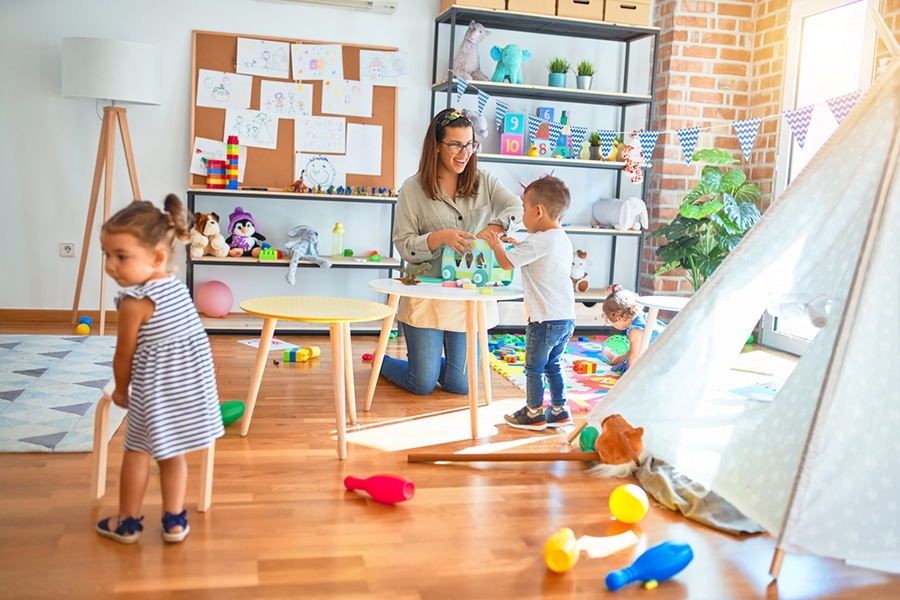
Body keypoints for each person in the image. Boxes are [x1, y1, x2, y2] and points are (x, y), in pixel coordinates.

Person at [95, 195, 224, 544]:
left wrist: (122, 390)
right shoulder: (177, 289)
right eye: (107, 255)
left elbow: (123, 356)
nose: (110, 265)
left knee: (137, 452)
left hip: (156, 391)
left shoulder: (135, 303)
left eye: (121, 256)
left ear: (156, 257)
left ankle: (128, 523)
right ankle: (174, 522)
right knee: (172, 454)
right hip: (191, 387)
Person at [380, 107, 522, 395]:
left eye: (469, 144)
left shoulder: (485, 181)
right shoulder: (412, 189)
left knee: (461, 385)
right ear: (436, 145)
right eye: (455, 144)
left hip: (468, 297)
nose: (464, 153)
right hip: (427, 294)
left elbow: (517, 207)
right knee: (422, 384)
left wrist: (495, 227)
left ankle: (432, 364)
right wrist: (437, 238)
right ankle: (384, 362)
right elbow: (403, 243)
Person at [484, 176, 576, 430]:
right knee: (554, 364)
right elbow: (539, 255)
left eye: (524, 209)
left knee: (534, 368)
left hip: (543, 320)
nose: (523, 215)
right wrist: (518, 244)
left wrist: (495, 245)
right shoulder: (561, 238)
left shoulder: (538, 241)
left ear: (538, 211)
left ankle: (534, 412)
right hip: (566, 318)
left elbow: (505, 263)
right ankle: (559, 409)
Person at [601, 284, 667, 374]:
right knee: (625, 358)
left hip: (659, 361)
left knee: (628, 364)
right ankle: (615, 359)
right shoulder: (645, 318)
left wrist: (630, 378)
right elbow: (631, 352)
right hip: (662, 353)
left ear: (618, 317)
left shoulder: (635, 331)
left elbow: (635, 356)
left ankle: (614, 358)